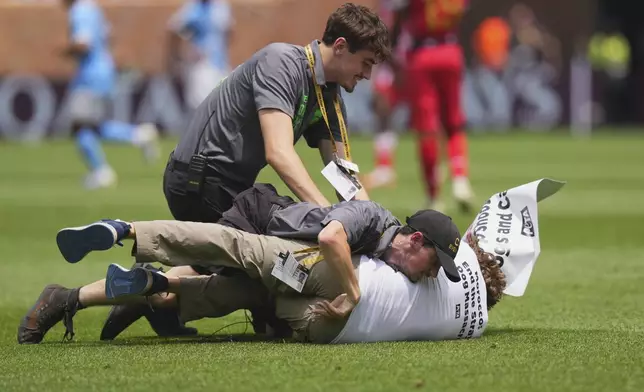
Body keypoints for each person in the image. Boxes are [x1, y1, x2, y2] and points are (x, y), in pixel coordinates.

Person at [138, 3, 390, 337]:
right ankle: (145, 289)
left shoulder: (329, 95)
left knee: (268, 263)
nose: (368, 75)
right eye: (366, 63)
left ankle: (150, 290)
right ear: (341, 47)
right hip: (198, 181)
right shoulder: (281, 63)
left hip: (229, 187)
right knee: (269, 267)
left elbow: (342, 172)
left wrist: (375, 228)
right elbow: (279, 153)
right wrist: (330, 217)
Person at [17, 220, 505, 344]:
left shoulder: (448, 275)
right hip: (312, 323)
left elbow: (330, 231)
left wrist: (352, 292)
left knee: (236, 249)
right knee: (228, 292)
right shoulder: (472, 319)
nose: (428, 273)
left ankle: (127, 238)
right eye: (430, 261)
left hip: (319, 281)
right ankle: (145, 289)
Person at [60, 0, 160, 190]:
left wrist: (65, 51)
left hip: (90, 75)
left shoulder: (79, 11)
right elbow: (108, 35)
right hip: (103, 70)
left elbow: (83, 43)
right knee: (92, 126)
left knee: (80, 125)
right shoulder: (93, 8)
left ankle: (101, 171)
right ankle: (138, 135)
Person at [389, 0, 474, 212]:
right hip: (451, 50)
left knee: (427, 129)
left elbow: (398, 15)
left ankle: (434, 195)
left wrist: (390, 50)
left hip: (422, 56)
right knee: (454, 123)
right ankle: (460, 179)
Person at [167, 0, 235, 111]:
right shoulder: (194, 6)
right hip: (201, 63)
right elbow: (175, 27)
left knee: (223, 102)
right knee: (201, 104)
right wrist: (186, 50)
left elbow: (228, 31)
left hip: (220, 62)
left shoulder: (221, 6)